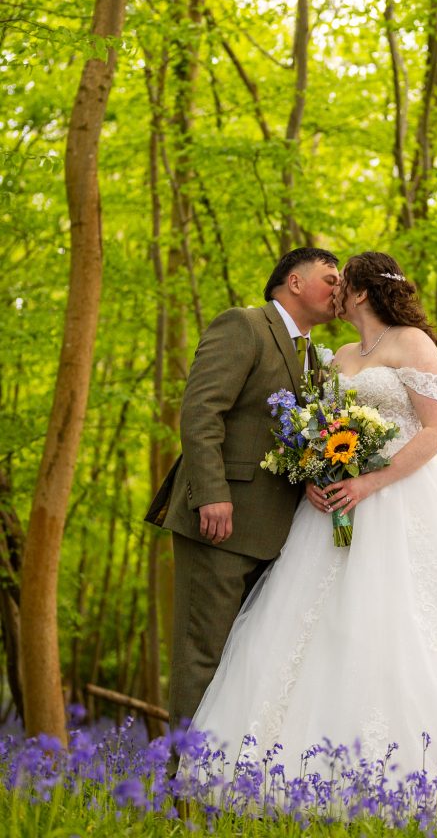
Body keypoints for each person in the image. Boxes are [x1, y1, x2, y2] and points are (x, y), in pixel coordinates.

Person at [185, 251, 437, 792]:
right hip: (332, 508)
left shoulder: (412, 342)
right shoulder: (338, 354)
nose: (334, 291)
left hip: (402, 499)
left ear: (362, 293)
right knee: (320, 629)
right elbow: (318, 427)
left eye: (342, 284)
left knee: (405, 625)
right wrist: (317, 474)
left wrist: (368, 483)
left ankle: (428, 779)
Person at [144, 247, 340, 732]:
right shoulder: (244, 326)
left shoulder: (316, 358)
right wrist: (212, 493)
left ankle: (227, 788)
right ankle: (182, 790)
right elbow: (201, 411)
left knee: (248, 663)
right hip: (220, 523)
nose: (339, 290)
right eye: (330, 278)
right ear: (294, 282)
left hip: (280, 536)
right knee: (202, 657)